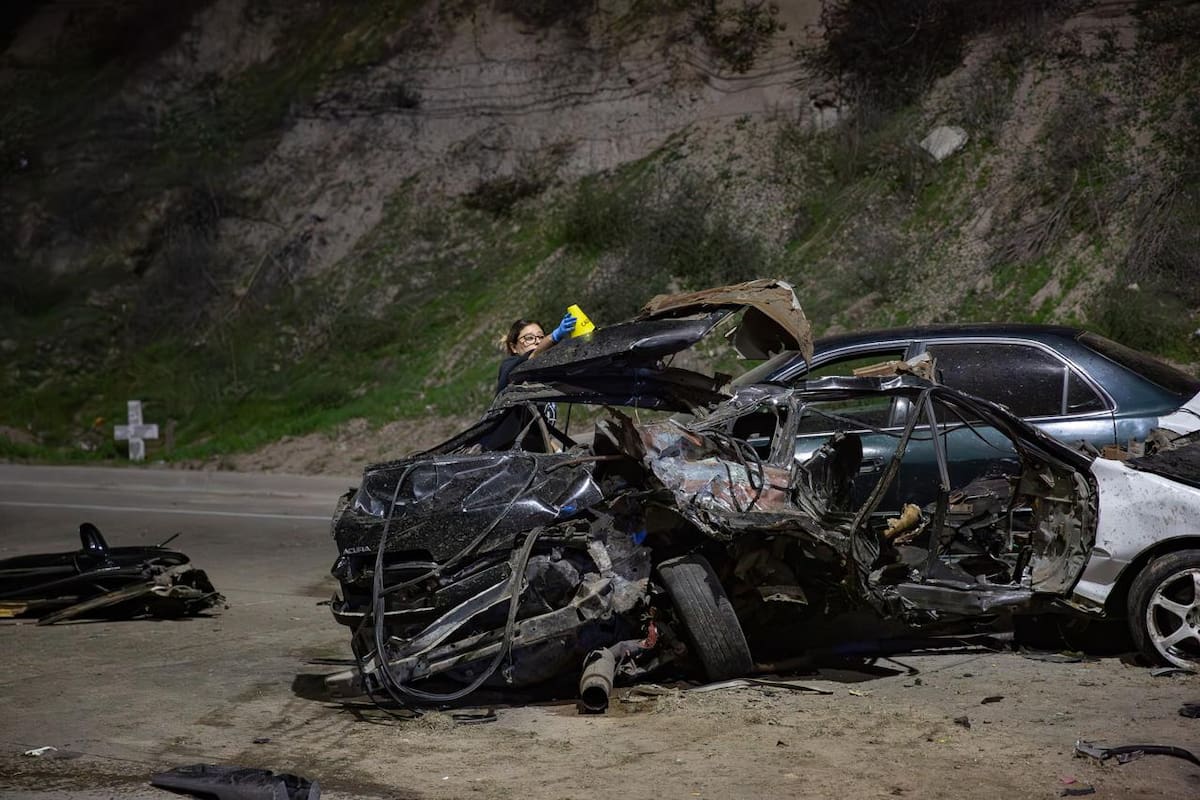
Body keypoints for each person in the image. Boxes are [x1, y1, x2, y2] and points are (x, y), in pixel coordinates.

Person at [482, 312, 576, 451]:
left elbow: (538, 431)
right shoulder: (510, 366)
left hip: (530, 458)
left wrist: (557, 450)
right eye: (529, 338)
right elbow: (534, 354)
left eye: (540, 337)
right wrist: (554, 336)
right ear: (514, 347)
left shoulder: (544, 379)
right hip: (501, 456)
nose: (537, 341)